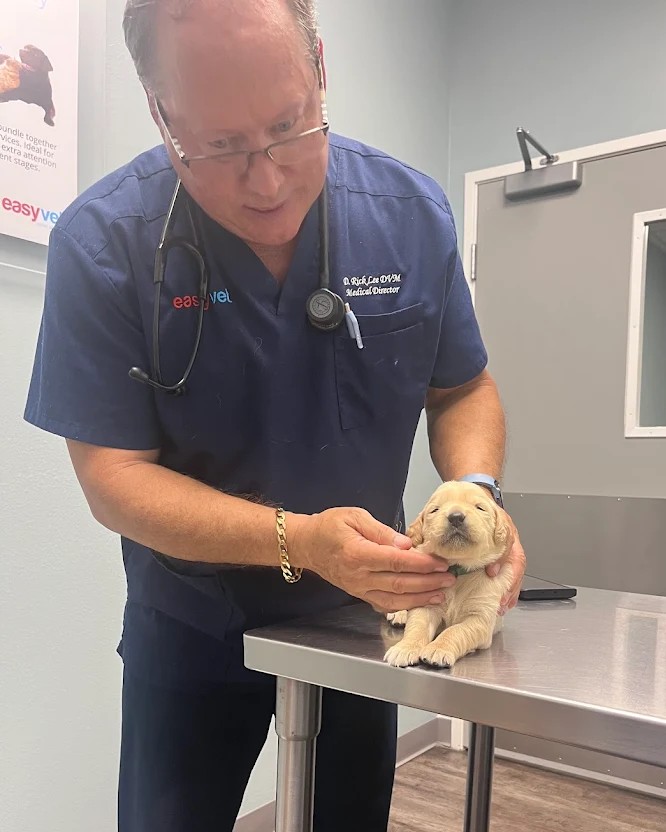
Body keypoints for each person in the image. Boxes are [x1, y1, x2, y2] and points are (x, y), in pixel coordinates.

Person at [24, 1, 526, 829]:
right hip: (190, 622)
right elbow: (113, 479)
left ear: (320, 68)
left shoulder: (409, 214)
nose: (265, 180)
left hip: (369, 613)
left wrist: (477, 491)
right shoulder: (103, 243)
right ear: (159, 112)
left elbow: (463, 386)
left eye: (289, 127)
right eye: (218, 147)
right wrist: (297, 540)